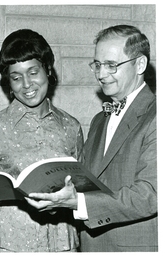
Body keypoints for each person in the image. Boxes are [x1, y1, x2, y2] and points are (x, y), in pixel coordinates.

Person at [25, 25, 157, 252]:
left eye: (111, 65)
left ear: (140, 64)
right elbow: (84, 182)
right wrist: (52, 195)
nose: (101, 74)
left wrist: (79, 202)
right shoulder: (99, 120)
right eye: (97, 64)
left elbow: (151, 194)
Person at [0, 29, 84, 252]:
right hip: (8, 242)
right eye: (16, 77)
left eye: (33, 72)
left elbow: (83, 189)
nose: (26, 84)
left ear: (48, 70)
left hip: (62, 242)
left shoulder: (71, 126)